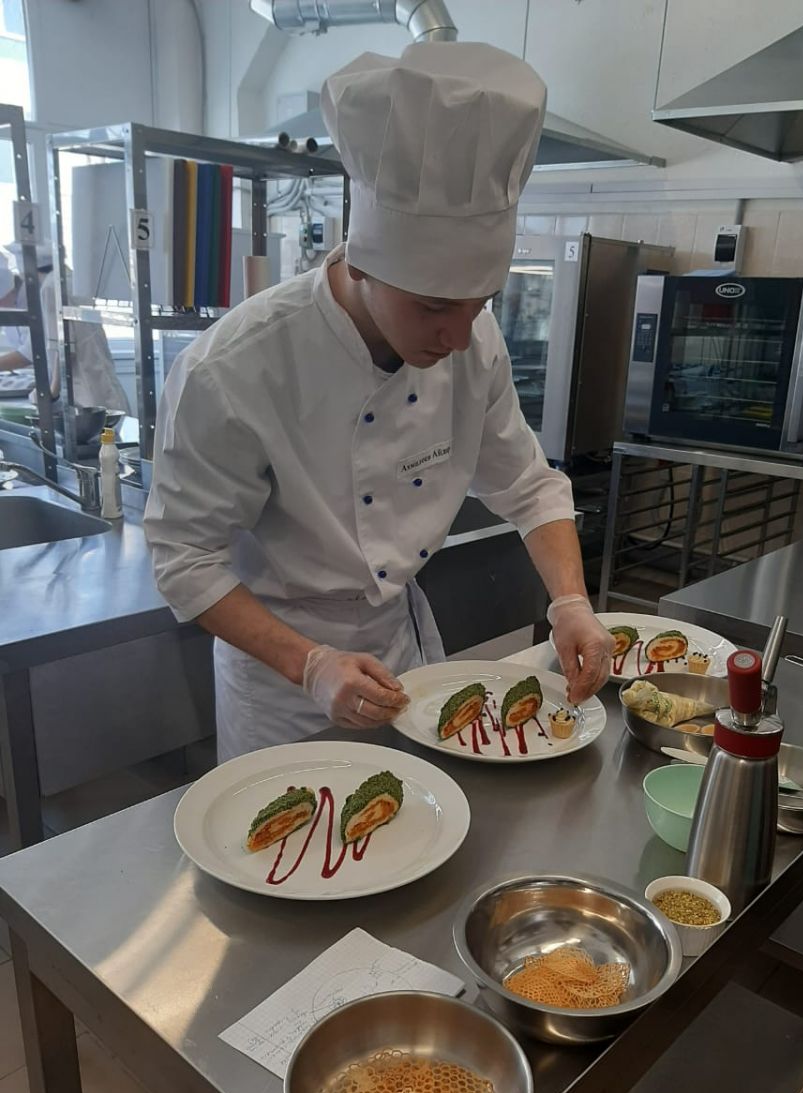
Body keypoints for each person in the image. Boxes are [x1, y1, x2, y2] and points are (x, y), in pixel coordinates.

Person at [145, 41, 613, 763]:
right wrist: (310, 664)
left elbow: (527, 485)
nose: (458, 337)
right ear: (362, 264)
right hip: (282, 683)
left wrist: (571, 603)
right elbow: (183, 558)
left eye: (479, 303)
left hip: (402, 652)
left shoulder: (473, 339)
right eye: (434, 307)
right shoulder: (233, 368)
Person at [1, 243, 128, 413]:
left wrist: (50, 393)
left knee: (99, 426)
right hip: (98, 384)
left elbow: (64, 348)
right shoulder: (70, 279)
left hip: (85, 393)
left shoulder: (51, 287)